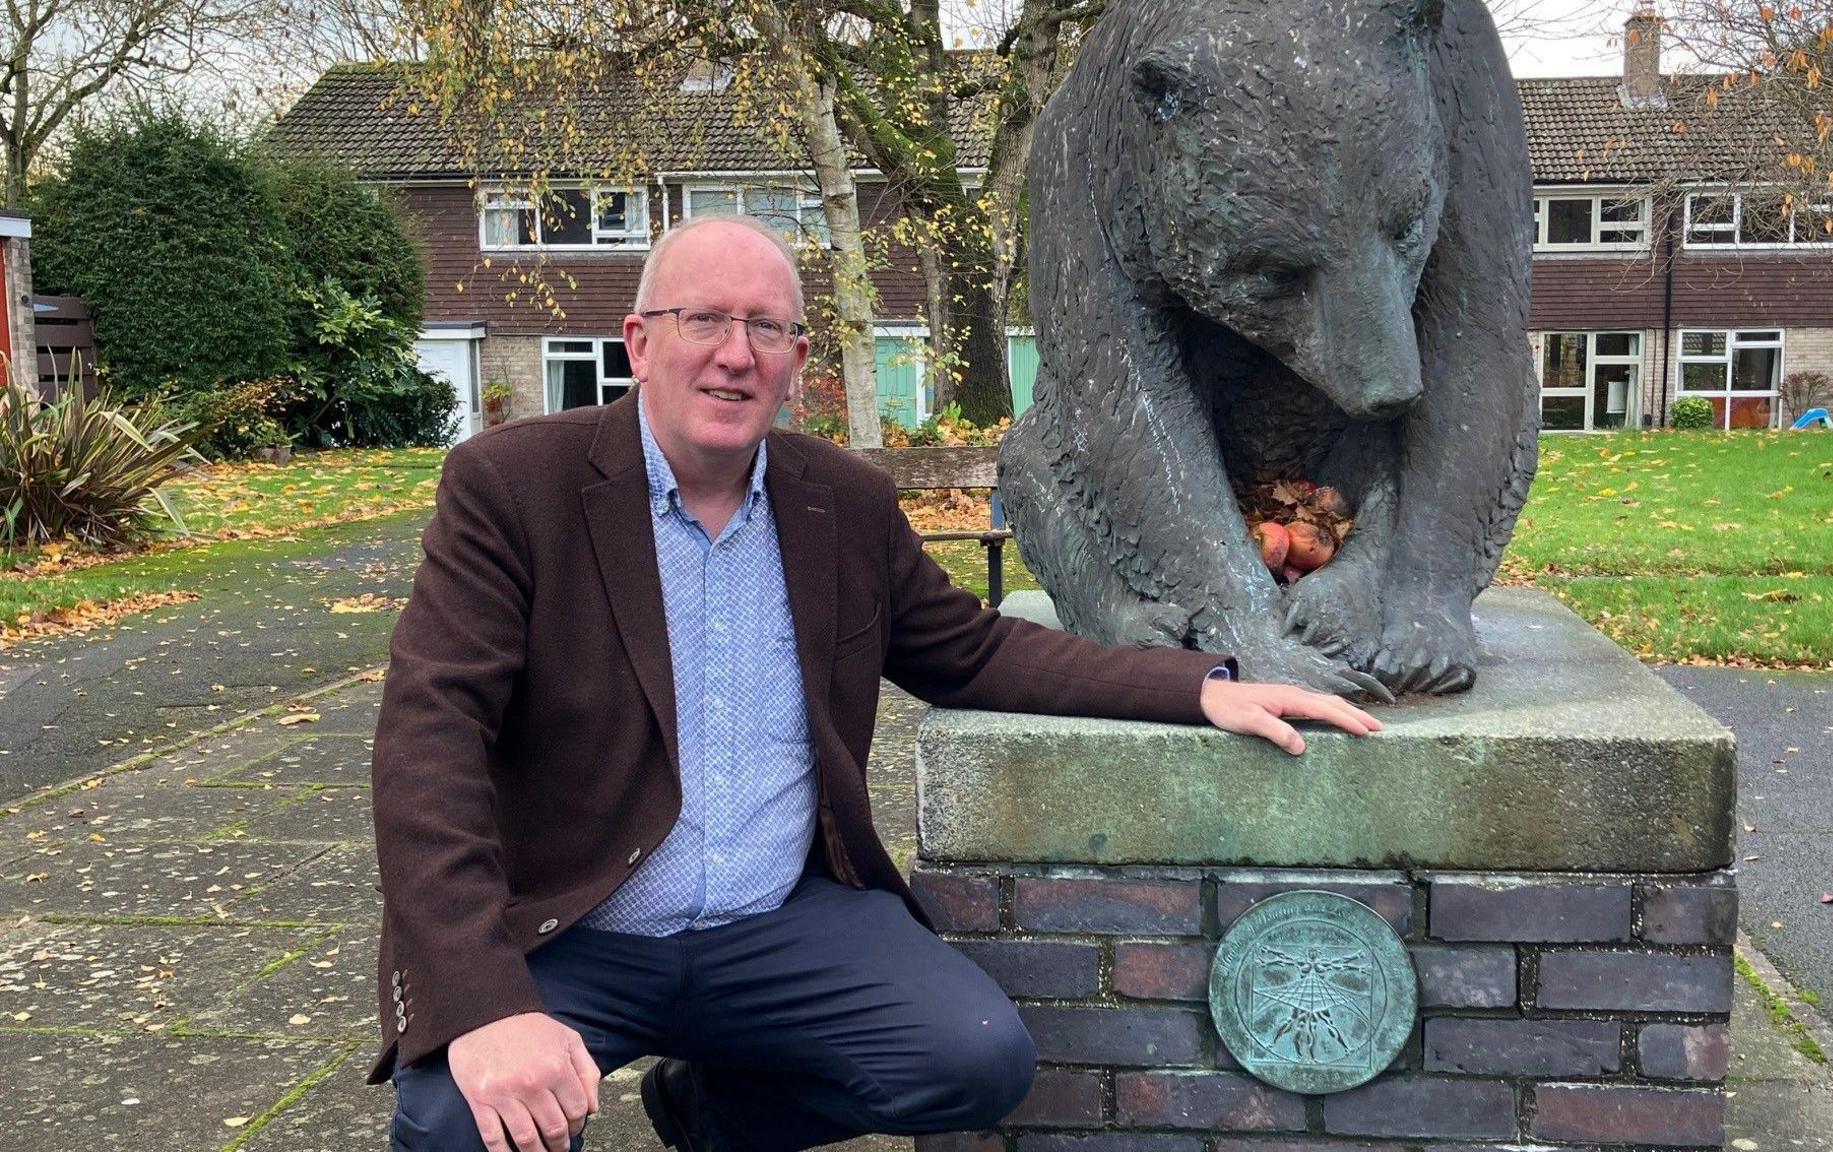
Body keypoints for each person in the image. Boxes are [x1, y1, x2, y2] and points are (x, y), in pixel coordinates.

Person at [370, 214, 1384, 1152]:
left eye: (766, 327)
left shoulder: (838, 502)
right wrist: (488, 1003)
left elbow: (973, 651)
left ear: (797, 362)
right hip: (574, 924)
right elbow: (430, 739)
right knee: (470, 1121)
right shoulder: (512, 487)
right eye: (704, 321)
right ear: (639, 342)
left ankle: (705, 1110)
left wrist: (1197, 688)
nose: (735, 353)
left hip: (776, 921)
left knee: (972, 1060)